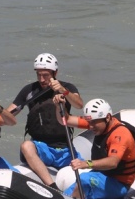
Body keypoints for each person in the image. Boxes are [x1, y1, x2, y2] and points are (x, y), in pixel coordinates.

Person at [5, 53, 84, 189]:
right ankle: (52, 187)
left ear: (55, 73)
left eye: (46, 75)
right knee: (26, 146)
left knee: (85, 179)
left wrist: (63, 91)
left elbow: (79, 104)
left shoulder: (68, 87)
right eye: (39, 75)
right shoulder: (29, 90)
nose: (42, 79)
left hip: (65, 148)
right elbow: (9, 113)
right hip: (41, 148)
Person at [54, 96, 135, 199]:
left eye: (94, 123)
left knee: (84, 180)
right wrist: (60, 106)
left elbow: (113, 162)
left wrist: (86, 163)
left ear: (107, 117)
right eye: (89, 122)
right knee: (74, 186)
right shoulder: (97, 122)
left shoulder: (120, 134)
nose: (90, 127)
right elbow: (65, 120)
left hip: (119, 184)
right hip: (101, 174)